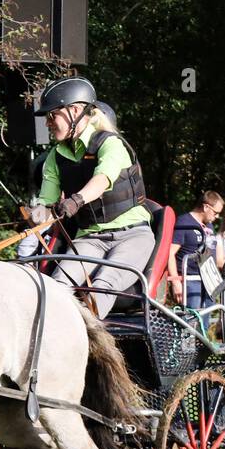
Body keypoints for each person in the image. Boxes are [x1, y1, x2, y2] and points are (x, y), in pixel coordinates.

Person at [27, 76, 155, 317]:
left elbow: (102, 180)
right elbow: (45, 205)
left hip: (133, 236)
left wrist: (75, 200)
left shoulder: (111, 143)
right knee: (57, 287)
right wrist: (35, 216)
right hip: (90, 239)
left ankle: (90, 351)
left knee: (100, 289)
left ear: (74, 111)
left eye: (52, 116)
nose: (48, 123)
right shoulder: (56, 156)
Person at [168, 190, 223, 317]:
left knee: (204, 322)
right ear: (205, 207)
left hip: (209, 280)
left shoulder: (209, 225)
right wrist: (176, 283)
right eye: (215, 213)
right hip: (190, 280)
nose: (217, 217)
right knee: (191, 320)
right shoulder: (184, 222)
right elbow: (170, 253)